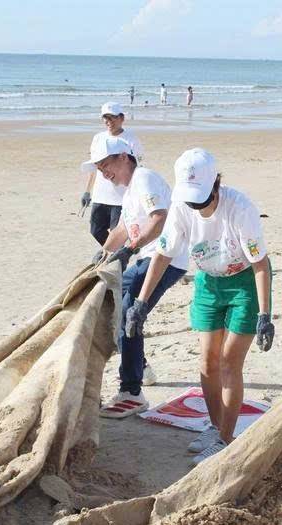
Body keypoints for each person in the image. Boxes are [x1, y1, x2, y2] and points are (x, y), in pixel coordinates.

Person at [126, 148, 275, 465]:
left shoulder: (240, 208)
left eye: (202, 198)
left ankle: (225, 439)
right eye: (191, 199)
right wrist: (140, 303)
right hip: (208, 282)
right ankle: (216, 424)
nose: (196, 205)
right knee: (207, 364)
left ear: (216, 183)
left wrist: (265, 314)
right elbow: (163, 255)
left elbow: (261, 263)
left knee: (228, 362)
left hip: (243, 282)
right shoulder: (181, 207)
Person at [81, 137, 189, 418]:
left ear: (124, 157)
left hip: (164, 259)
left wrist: (130, 249)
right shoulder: (129, 191)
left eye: (106, 164)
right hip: (148, 258)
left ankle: (132, 391)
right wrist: (102, 255)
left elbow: (159, 218)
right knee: (113, 301)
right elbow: (121, 229)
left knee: (128, 311)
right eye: (99, 167)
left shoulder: (144, 178)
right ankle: (140, 365)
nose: (104, 172)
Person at [81, 102, 144, 248]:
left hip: (120, 198)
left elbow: (138, 167)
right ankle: (113, 255)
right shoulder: (98, 138)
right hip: (100, 195)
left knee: (119, 233)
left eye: (112, 117)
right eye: (105, 118)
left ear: (122, 118)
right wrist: (87, 191)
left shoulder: (131, 139)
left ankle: (114, 261)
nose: (108, 121)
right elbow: (94, 167)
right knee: (96, 230)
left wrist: (135, 194)